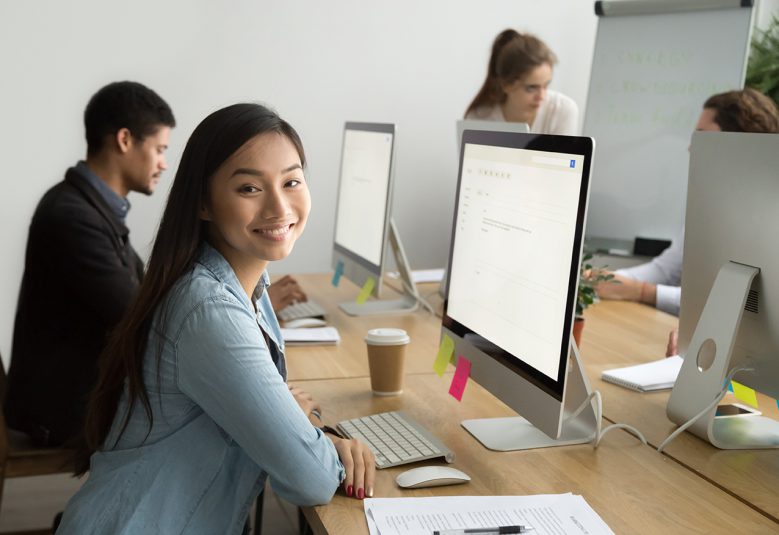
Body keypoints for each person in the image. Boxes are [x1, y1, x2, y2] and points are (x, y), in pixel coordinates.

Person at [57, 103, 374, 533]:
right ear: (203, 203)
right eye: (249, 189)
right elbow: (311, 479)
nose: (279, 207)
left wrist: (304, 428)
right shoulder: (208, 310)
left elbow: (277, 411)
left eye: (292, 181)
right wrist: (312, 435)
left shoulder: (245, 287)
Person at [4, 81, 175, 447]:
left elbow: (143, 295)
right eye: (159, 149)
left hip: (76, 393)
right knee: (201, 418)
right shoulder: (72, 216)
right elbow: (137, 316)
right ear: (125, 140)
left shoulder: (91, 208)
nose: (164, 163)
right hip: (62, 410)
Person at [597, 88, 779, 322]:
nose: (690, 147)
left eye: (701, 135)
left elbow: (740, 306)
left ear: (737, 141)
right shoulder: (707, 201)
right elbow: (666, 270)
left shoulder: (767, 215)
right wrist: (605, 280)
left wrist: (643, 293)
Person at [465, 29, 578, 135]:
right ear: (506, 85)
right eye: (532, 88)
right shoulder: (479, 119)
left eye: (546, 85)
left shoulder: (563, 111)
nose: (542, 96)